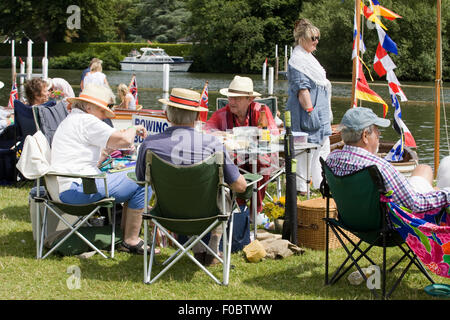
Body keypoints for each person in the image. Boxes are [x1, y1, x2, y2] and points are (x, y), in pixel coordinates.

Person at [136, 88, 247, 266]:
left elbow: (141, 180)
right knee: (224, 194)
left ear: (167, 116)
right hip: (209, 215)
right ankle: (212, 247)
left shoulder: (149, 144)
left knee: (183, 194)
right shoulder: (213, 144)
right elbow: (240, 186)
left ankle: (198, 248)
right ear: (197, 118)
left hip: (166, 215)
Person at [51, 83, 153, 255]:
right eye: (101, 112)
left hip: (65, 187)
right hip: (79, 189)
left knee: (133, 176)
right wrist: (134, 128)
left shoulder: (71, 120)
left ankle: (122, 236)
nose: (103, 117)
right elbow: (124, 140)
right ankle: (131, 239)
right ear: (89, 107)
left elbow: (84, 160)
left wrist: (105, 153)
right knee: (143, 178)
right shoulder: (86, 120)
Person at [326, 107, 450, 213]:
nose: (379, 133)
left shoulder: (331, 159)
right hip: (392, 225)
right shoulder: (378, 167)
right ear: (365, 136)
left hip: (351, 220)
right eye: (376, 129)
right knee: (430, 174)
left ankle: (435, 190)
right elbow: (416, 204)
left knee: (423, 169)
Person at [205, 75, 279, 214]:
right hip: (234, 160)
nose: (231, 102)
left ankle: (255, 209)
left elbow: (274, 134)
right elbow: (206, 131)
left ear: (250, 99)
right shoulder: (222, 114)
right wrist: (222, 135)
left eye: (237, 98)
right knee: (227, 160)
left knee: (264, 162)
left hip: (256, 157)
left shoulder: (261, 111)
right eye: (230, 97)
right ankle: (239, 207)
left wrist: (253, 136)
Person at [287, 18, 333, 196]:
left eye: (317, 38)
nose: (316, 41)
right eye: (312, 38)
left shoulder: (308, 58)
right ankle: (301, 187)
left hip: (318, 111)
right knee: (305, 149)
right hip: (306, 112)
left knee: (322, 146)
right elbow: (302, 89)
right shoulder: (297, 60)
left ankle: (320, 183)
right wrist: (310, 111)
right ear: (302, 39)